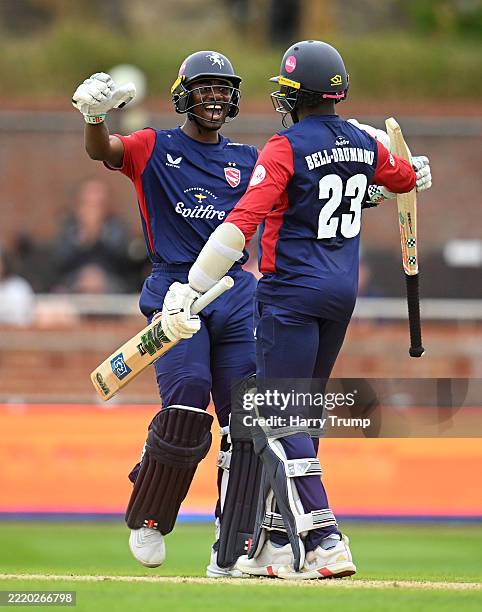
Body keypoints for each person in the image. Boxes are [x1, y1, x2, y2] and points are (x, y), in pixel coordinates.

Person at [165, 40, 432, 580]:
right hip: (341, 296)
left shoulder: (283, 147)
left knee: (280, 417)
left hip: (289, 295)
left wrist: (191, 287)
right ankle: (278, 543)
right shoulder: (362, 142)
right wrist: (411, 168)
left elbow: (241, 225)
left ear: (295, 95)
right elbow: (404, 177)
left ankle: (324, 538)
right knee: (301, 414)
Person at [71, 51, 259, 577]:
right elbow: (102, 151)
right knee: (186, 403)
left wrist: (371, 185)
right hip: (174, 290)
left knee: (247, 418)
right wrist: (93, 117)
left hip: (235, 294)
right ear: (184, 96)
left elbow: (295, 197)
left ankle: (237, 533)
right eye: (205, 89)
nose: (216, 98)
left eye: (223, 89)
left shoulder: (248, 158)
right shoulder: (155, 146)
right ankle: (151, 516)